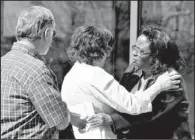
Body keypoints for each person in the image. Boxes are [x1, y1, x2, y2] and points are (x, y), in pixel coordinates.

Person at [61, 25, 182, 139]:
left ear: (155, 55)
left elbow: (154, 114)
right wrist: (159, 86)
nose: (108, 55)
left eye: (141, 51)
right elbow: (131, 105)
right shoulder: (118, 73)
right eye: (106, 49)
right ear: (95, 51)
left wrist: (111, 119)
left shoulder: (72, 75)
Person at [1, 6, 70, 139]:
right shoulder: (36, 70)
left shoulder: (2, 62)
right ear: (47, 33)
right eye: (53, 34)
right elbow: (61, 122)